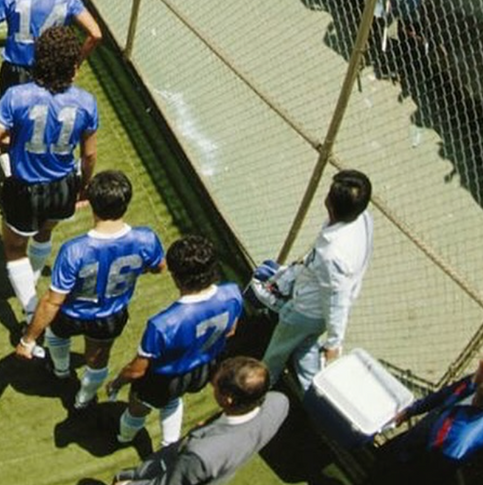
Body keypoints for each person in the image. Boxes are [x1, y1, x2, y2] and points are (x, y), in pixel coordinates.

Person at [15, 170, 165, 411]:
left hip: (72, 313)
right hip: (110, 315)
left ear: (92, 203)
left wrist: (28, 339)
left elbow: (52, 302)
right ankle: (83, 400)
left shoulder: (74, 250)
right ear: (126, 203)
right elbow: (159, 267)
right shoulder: (146, 239)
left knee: (56, 336)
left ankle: (61, 370)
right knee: (97, 359)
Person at [0, 25, 98, 321]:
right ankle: (31, 278)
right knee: (45, 231)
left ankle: (32, 311)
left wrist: (12, 142)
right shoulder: (86, 102)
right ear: (73, 65)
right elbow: (89, 155)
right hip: (64, 186)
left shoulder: (17, 96)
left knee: (14, 247)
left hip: (26, 189)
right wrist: (84, 186)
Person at [112, 234, 244, 451]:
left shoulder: (164, 323)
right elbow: (230, 331)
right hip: (202, 369)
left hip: (164, 379)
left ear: (176, 277)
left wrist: (116, 383)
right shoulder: (232, 293)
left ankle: (123, 437)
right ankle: (169, 445)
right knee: (174, 399)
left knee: (137, 407)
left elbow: (136, 370)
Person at [260, 168, 373, 390]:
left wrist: (334, 343)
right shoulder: (363, 219)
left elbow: (336, 301)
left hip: (305, 311)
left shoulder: (333, 254)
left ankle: (260, 385)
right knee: (305, 349)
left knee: (275, 352)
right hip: (317, 312)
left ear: (329, 203)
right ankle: (315, 396)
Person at [112, 356, 289, 485]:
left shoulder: (201, 453)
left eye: (216, 386)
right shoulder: (279, 402)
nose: (212, 385)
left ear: (228, 399)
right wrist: (211, 425)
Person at [376, 355, 483, 481]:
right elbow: (443, 395)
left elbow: (437, 465)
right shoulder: (473, 383)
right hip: (408, 443)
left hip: (412, 465)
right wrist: (409, 412)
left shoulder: (463, 432)